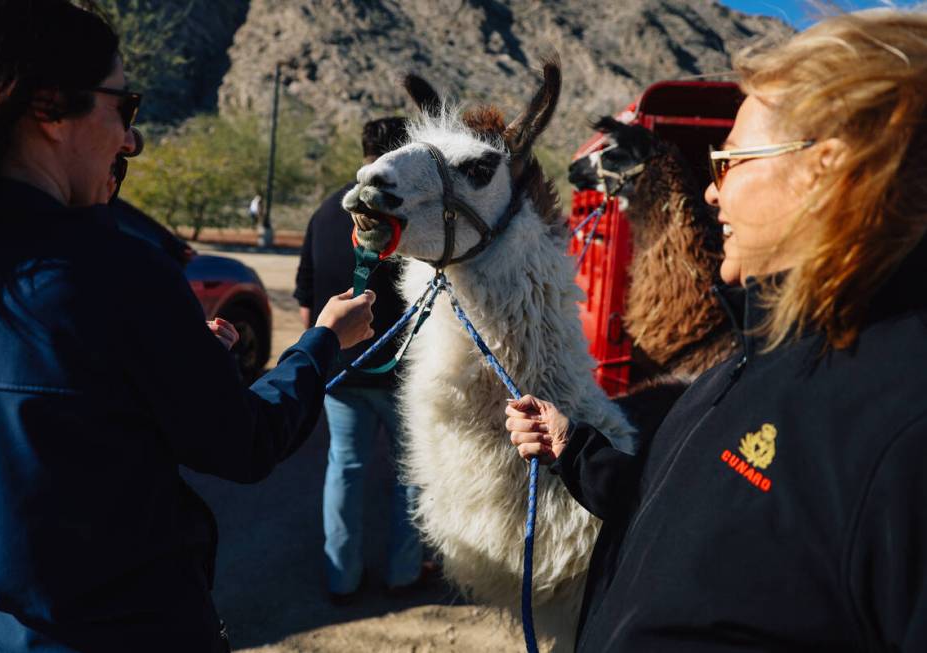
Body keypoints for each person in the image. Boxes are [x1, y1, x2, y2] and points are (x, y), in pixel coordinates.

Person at [0, 2, 376, 652]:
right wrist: (322, 341)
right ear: (49, 109)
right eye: (126, 105)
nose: (131, 140)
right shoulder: (118, 274)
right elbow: (245, 443)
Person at [507, 9, 927, 652]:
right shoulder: (752, 357)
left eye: (729, 162)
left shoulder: (902, 437)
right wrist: (575, 452)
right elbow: (678, 509)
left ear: (826, 170)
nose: (710, 193)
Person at [294, 117, 425, 602]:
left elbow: (307, 296)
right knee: (411, 474)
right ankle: (404, 572)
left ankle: (341, 579)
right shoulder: (409, 216)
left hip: (338, 369)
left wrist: (319, 354)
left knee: (344, 469)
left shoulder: (326, 211)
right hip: (401, 374)